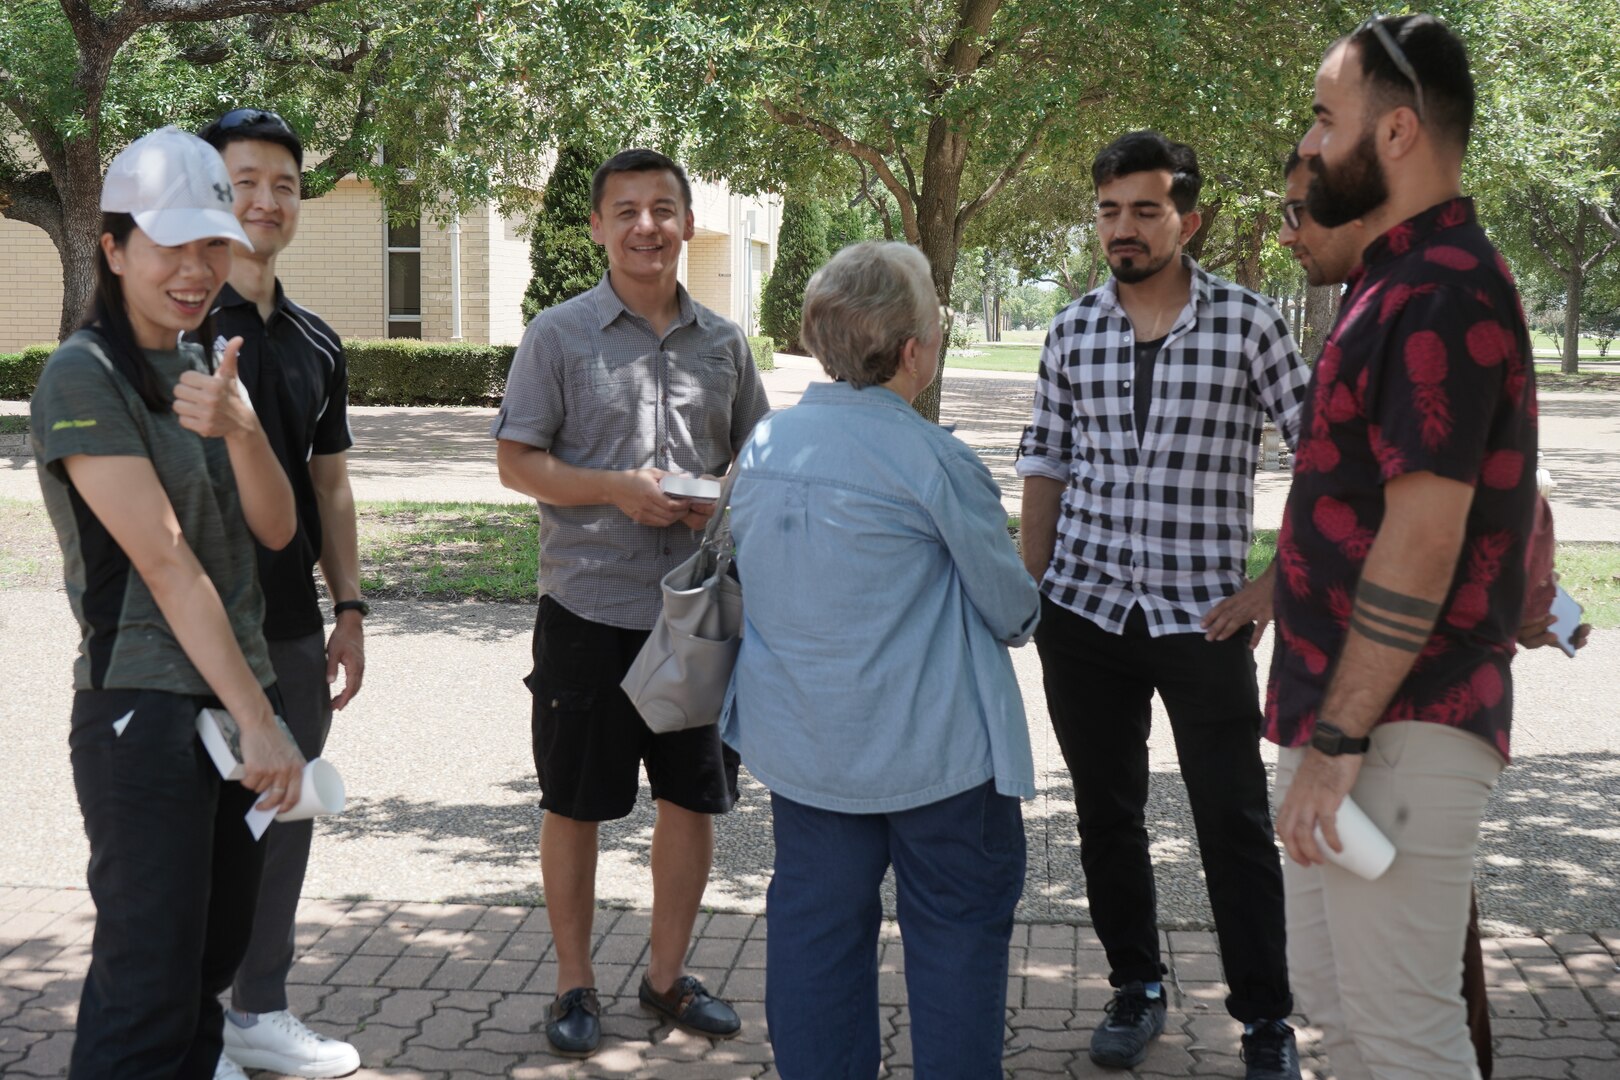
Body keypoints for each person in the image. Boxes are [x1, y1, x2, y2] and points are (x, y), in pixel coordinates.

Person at [1269, 15, 1538, 1079]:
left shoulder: (1438, 287)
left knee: (1403, 1039)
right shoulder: (1401, 278)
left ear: (1394, 134)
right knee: (1346, 1025)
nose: (1313, 140)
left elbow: (1423, 541)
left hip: (1393, 730)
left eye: (1327, 117)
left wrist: (1336, 748)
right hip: (1360, 725)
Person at [1016, 130, 1308, 1078]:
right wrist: (1032, 588)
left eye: (1145, 210)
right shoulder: (1072, 329)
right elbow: (1047, 464)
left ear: (1188, 216)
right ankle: (1134, 987)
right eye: (1109, 210)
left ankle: (1265, 1017)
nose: (1124, 228)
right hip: (1086, 614)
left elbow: (1326, 456)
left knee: (1231, 821)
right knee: (1106, 815)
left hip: (1204, 618)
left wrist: (1273, 584)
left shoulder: (1251, 324)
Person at [720, 241, 1040, 1078]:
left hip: (812, 757)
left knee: (813, 948)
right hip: (941, 762)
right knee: (957, 953)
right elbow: (1013, 613)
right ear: (912, 352)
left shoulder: (762, 450)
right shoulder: (934, 460)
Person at [27, 126, 306, 1079]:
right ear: (111, 248)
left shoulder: (201, 368)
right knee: (145, 996)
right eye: (168, 245)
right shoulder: (82, 375)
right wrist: (262, 720)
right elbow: (167, 563)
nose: (195, 268)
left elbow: (275, 532)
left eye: (212, 243)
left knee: (202, 980)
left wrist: (244, 429)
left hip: (227, 713)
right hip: (143, 712)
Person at [491, 148, 770, 1058]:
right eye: (626, 211)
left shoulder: (726, 343)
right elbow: (515, 461)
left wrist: (716, 498)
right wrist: (616, 489)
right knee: (574, 803)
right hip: (587, 611)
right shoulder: (558, 335)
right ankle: (575, 983)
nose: (646, 226)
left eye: (663, 209)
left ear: (688, 223)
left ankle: (665, 977)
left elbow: (758, 465)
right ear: (598, 227)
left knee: (691, 802)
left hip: (694, 615)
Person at [195, 108, 364, 1079]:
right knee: (196, 836)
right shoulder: (173, 323)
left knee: (284, 823)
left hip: (295, 630)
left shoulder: (314, 341)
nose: (265, 201)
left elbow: (332, 484)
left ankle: (259, 1010)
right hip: (193, 633)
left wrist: (348, 609)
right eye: (243, 182)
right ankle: (190, 1022)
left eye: (284, 186)